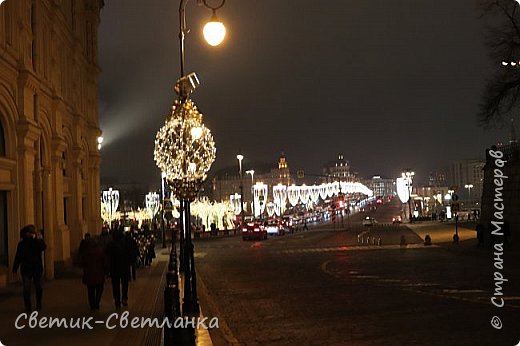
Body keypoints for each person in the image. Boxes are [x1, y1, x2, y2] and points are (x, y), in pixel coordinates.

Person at [12, 225, 47, 312]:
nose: (29, 234)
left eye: (30, 232)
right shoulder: (21, 245)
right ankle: (28, 307)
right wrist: (14, 269)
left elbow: (43, 247)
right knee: (26, 289)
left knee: (38, 287)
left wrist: (38, 238)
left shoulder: (36, 242)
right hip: (27, 269)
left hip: (36, 268)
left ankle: (38, 303)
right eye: (27, 233)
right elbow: (18, 257)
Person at [106, 228, 132, 309]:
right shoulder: (125, 244)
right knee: (125, 284)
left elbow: (107, 255)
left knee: (115, 285)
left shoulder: (111, 245)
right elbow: (129, 255)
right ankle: (124, 298)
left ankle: (117, 301)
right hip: (124, 267)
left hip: (114, 268)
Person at [79, 236, 107, 310]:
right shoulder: (100, 251)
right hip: (99, 274)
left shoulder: (86, 252)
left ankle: (92, 304)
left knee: (90, 290)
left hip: (89, 275)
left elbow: (82, 262)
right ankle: (97, 302)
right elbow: (104, 263)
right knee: (99, 289)